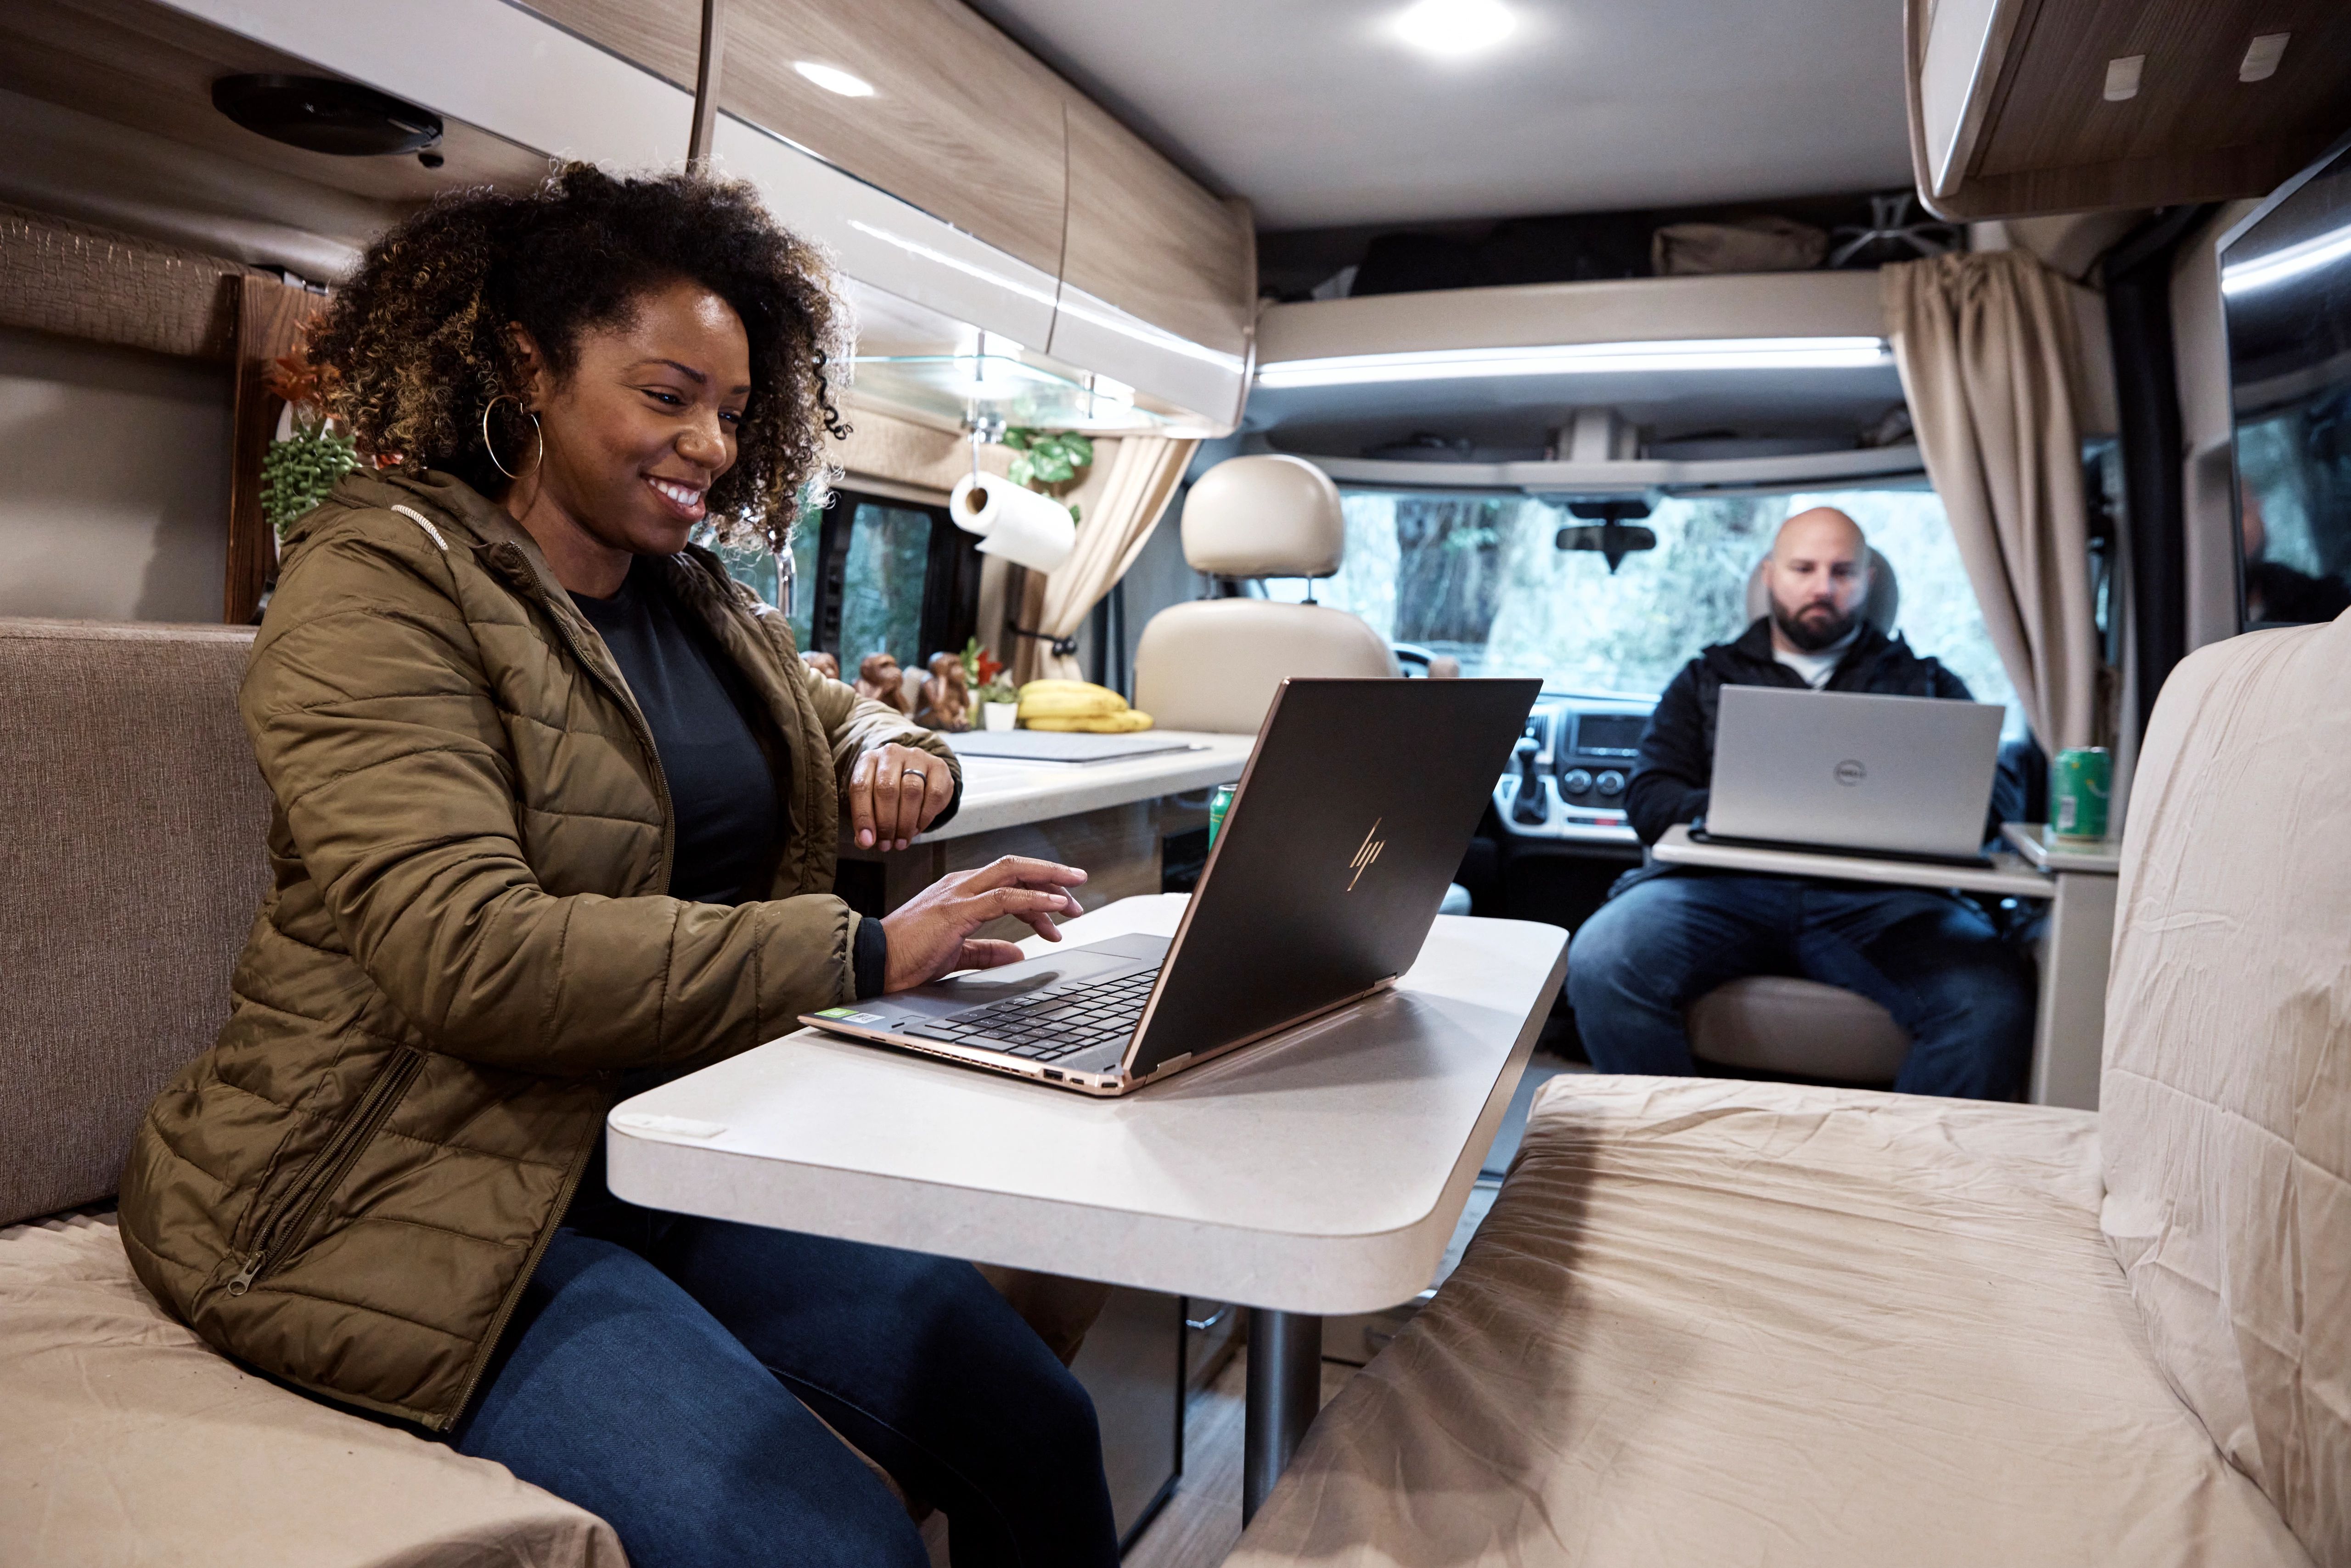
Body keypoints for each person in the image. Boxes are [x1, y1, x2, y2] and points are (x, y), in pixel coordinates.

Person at [117, 166, 1117, 1568]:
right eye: (666, 396)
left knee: (1036, 1424)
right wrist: (870, 953)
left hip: (658, 1157)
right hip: (395, 1191)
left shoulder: (697, 598)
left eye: (730, 410)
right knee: (827, 1551)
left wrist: (906, 751)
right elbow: (469, 956)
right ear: (529, 364)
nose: (708, 442)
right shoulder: (382, 579)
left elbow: (837, 715)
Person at [1564, 506, 2034, 1100]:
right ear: (1769, 575)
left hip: (1888, 901)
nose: (1823, 587)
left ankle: (1899, 1180)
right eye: (1804, 568)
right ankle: (1676, 1151)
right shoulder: (1707, 677)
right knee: (1604, 958)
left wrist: (1905, 807)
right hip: (1718, 890)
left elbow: (1998, 798)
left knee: (1988, 1004)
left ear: (1869, 580)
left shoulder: (1927, 684)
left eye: (1843, 571)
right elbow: (1649, 798)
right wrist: (1746, 803)